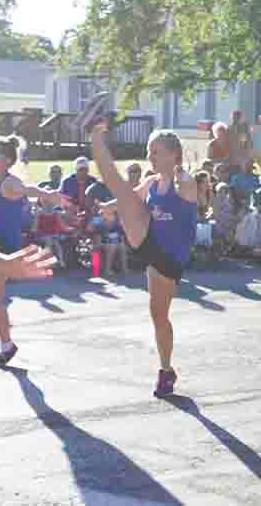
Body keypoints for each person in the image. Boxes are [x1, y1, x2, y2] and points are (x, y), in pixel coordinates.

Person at [91, 124, 197, 397]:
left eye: (156, 151)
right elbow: (130, 197)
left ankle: (97, 143)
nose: (150, 156)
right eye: (149, 151)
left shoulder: (184, 182)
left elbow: (188, 189)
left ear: (174, 154)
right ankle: (166, 370)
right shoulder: (151, 182)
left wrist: (183, 171)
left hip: (172, 256)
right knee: (158, 317)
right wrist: (107, 207)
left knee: (160, 315)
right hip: (150, 248)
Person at [0, 135, 70, 365]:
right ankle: (7, 345)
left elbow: (27, 189)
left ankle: (6, 344)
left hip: (3, 248)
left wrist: (48, 195)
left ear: (4, 161)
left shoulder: (8, 183)